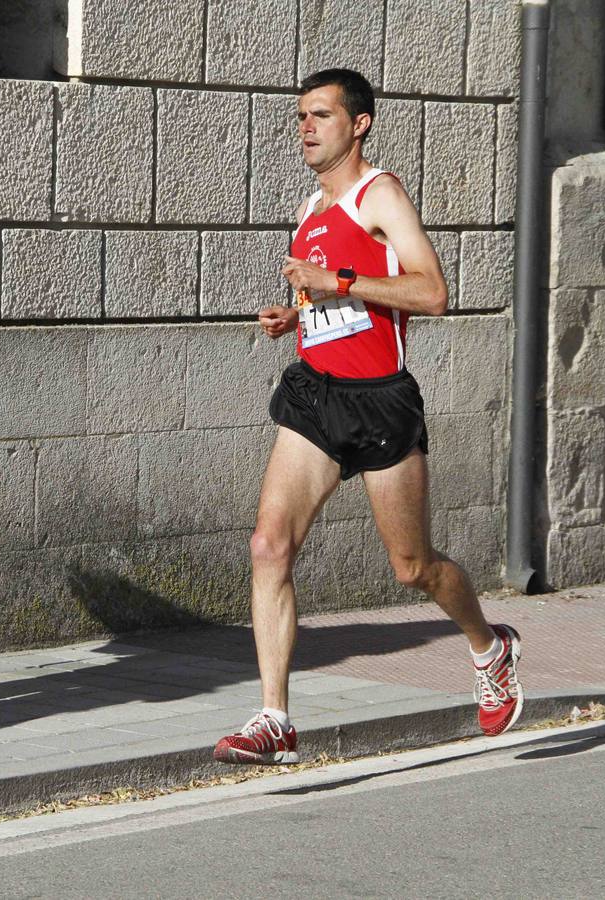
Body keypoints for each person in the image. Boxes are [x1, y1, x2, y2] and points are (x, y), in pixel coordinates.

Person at [213, 69, 524, 766]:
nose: (305, 127)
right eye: (300, 116)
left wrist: (338, 282)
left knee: (412, 567)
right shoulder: (307, 209)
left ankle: (488, 645)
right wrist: (295, 314)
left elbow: (433, 293)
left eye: (320, 115)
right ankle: (274, 719)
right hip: (315, 394)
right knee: (269, 545)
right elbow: (334, 303)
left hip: (381, 401)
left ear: (359, 124)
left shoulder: (378, 194)